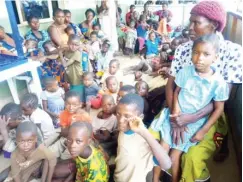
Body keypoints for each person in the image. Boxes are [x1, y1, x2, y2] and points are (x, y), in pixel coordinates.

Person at [152, 1, 242, 181]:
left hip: (210, 113)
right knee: (152, 139)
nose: (189, 28)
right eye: (189, 22)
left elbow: (223, 99)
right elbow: (172, 85)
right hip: (178, 108)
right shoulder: (184, 49)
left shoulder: (233, 52)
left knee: (192, 158)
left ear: (214, 25)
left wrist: (191, 118)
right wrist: (175, 115)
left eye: (196, 23)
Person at [152, 34, 229, 182]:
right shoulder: (185, 72)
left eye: (206, 54)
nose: (199, 58)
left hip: (192, 124)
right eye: (196, 52)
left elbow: (219, 109)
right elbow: (176, 91)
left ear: (215, 57)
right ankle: (155, 179)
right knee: (162, 150)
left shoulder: (218, 83)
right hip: (175, 115)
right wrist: (175, 114)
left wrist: (203, 131)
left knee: (175, 155)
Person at [114, 93, 171, 182]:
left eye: (127, 116)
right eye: (118, 114)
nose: (120, 120)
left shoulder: (145, 139)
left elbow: (167, 164)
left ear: (140, 117)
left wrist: (144, 133)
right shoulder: (124, 128)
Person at [59, 34, 84, 101]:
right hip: (70, 76)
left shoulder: (77, 53)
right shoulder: (67, 51)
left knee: (77, 96)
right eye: (71, 44)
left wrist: (60, 54)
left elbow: (65, 65)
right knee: (73, 92)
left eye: (76, 45)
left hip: (77, 78)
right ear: (68, 43)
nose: (73, 47)